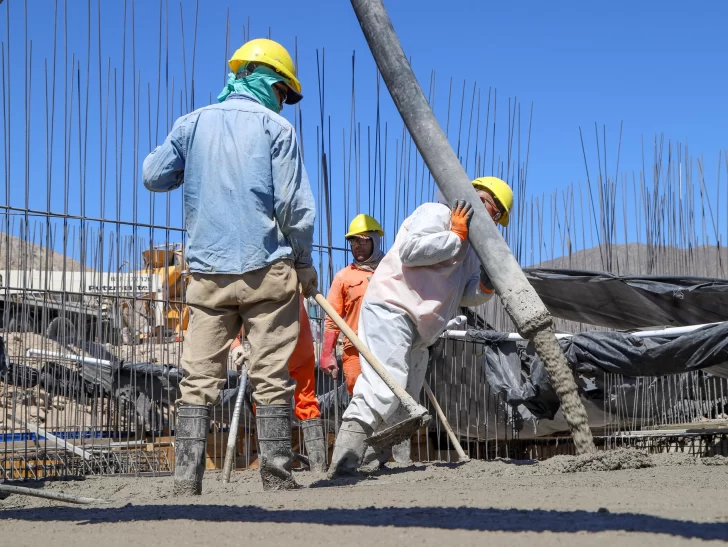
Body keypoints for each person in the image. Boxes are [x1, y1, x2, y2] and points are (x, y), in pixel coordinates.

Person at [143, 38, 317, 494]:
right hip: (268, 272)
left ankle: (185, 483)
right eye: (283, 92)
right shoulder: (276, 129)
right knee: (271, 376)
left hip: (208, 276)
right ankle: (277, 478)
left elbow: (154, 176)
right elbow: (294, 209)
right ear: (269, 81)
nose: (284, 102)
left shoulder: (192, 124)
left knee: (197, 378)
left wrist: (189, 155)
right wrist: (304, 262)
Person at [327, 177, 513, 476]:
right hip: (393, 308)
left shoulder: (470, 248)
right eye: (493, 212)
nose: (492, 221)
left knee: (405, 399)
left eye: (496, 219)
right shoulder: (436, 213)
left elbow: (463, 292)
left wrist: (485, 286)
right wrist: (454, 237)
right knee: (384, 386)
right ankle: (344, 463)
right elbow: (411, 251)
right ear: (478, 199)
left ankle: (374, 462)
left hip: (422, 327)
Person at [230, 294, 327, 472]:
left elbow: (232, 313)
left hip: (273, 356)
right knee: (307, 403)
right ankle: (318, 465)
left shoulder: (252, 282)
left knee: (265, 403)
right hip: (297, 350)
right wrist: (236, 344)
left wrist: (235, 344)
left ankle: (273, 466)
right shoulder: (292, 276)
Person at [319, 214, 385, 394]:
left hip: (388, 347)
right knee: (360, 401)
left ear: (375, 240)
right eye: (353, 241)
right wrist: (327, 353)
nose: (357, 246)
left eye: (362, 241)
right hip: (355, 350)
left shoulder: (392, 271)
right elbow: (332, 319)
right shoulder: (344, 277)